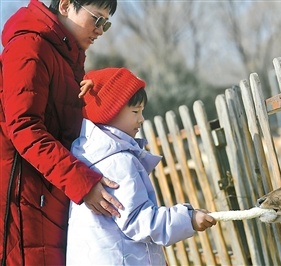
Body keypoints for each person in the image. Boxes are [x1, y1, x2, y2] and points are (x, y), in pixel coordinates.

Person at [0, 1, 122, 265]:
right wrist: (83, 183)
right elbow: (24, 128)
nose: (100, 30)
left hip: (52, 200)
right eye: (97, 19)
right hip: (25, 202)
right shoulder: (29, 47)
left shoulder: (67, 59)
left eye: (106, 23)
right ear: (66, 5)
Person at [66, 67, 217, 265]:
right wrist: (187, 219)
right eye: (135, 111)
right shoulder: (117, 161)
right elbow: (137, 220)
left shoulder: (90, 156)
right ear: (109, 113)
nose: (141, 119)